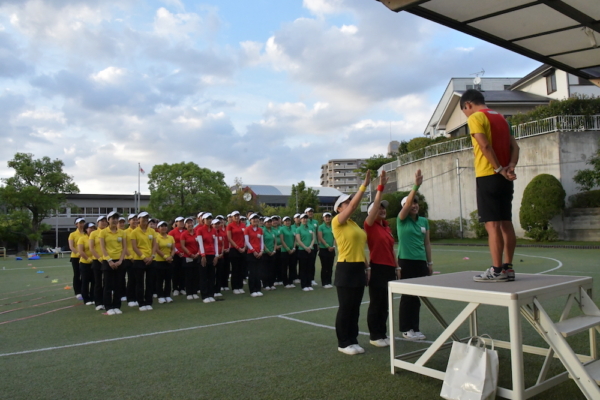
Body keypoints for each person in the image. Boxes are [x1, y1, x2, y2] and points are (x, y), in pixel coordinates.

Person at [460, 89, 519, 282]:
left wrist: (499, 168)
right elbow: (515, 147)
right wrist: (510, 167)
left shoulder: (476, 117)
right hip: (505, 179)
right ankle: (508, 268)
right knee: (505, 222)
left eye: (464, 111)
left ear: (468, 105)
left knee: (492, 224)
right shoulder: (503, 119)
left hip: (488, 174)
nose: (466, 115)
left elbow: (484, 145)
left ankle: (496, 270)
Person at [332, 170, 371, 355]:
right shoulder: (337, 222)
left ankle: (353, 339)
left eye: (349, 201)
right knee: (346, 307)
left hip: (358, 267)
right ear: (340, 208)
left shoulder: (354, 225)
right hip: (345, 268)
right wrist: (364, 185)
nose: (350, 204)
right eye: (346, 203)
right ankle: (343, 342)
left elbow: (360, 246)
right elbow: (355, 205)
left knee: (355, 307)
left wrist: (367, 266)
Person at [397, 169, 432, 340]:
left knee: (417, 296)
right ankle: (406, 329)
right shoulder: (402, 220)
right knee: (407, 296)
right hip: (406, 261)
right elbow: (406, 206)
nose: (414, 205)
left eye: (416, 202)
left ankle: (415, 327)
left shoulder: (424, 221)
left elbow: (427, 243)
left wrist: (430, 263)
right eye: (411, 203)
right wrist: (416, 185)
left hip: (420, 262)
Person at [364, 171, 397, 347]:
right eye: (379, 208)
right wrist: (380, 187)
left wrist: (397, 268)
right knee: (377, 302)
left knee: (385, 303)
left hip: (390, 268)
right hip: (377, 268)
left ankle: (382, 332)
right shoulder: (369, 225)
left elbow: (391, 250)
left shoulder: (386, 227)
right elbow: (376, 203)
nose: (382, 210)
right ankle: (375, 335)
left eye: (384, 208)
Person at [99, 211, 127, 315]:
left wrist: (120, 260)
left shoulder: (122, 232)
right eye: (112, 218)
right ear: (108, 220)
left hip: (120, 261)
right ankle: (108, 306)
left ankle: (116, 305)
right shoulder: (103, 232)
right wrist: (110, 260)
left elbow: (124, 248)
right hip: (108, 262)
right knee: (108, 285)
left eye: (116, 218)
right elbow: (103, 247)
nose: (115, 220)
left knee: (118, 285)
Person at [131, 211, 157, 311]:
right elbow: (134, 247)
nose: (145, 220)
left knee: (150, 282)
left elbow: (154, 245)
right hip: (139, 260)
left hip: (151, 259)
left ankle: (148, 301)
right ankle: (141, 303)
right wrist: (143, 257)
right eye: (143, 218)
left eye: (147, 218)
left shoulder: (152, 231)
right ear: (138, 219)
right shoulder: (134, 232)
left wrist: (152, 256)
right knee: (140, 283)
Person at [197, 213, 218, 303]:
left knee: (211, 276)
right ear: (203, 220)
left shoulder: (214, 230)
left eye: (210, 218)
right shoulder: (200, 230)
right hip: (203, 255)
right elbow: (200, 243)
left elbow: (215, 243)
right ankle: (204, 295)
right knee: (203, 276)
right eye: (207, 219)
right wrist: (203, 255)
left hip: (212, 255)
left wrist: (216, 255)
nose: (209, 220)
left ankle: (211, 294)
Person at [89, 216, 108, 311]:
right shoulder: (93, 233)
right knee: (98, 282)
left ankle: (106, 302)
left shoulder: (108, 232)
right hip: (98, 260)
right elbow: (92, 248)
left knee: (107, 282)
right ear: (97, 223)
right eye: (102, 221)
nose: (104, 223)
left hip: (108, 260)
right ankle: (98, 302)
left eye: (105, 221)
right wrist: (100, 258)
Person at [155, 221, 175, 304]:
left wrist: (171, 256)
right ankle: (160, 296)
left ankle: (167, 295)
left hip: (169, 261)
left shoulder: (170, 237)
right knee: (159, 279)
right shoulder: (156, 237)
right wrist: (165, 257)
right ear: (158, 228)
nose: (163, 228)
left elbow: (173, 249)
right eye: (161, 226)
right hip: (159, 261)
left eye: (165, 226)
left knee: (168, 279)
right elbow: (157, 249)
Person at [180, 217, 200, 300]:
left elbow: (200, 244)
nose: (190, 224)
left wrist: (198, 253)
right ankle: (189, 292)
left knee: (196, 275)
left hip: (197, 256)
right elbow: (183, 246)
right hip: (188, 257)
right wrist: (190, 254)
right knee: (189, 276)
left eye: (191, 222)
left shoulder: (197, 233)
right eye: (188, 223)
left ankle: (194, 292)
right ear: (185, 225)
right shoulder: (183, 234)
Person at [244, 213, 264, 297]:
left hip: (259, 253)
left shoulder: (260, 230)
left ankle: (258, 289)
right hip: (251, 253)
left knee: (258, 272)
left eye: (257, 219)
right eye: (253, 219)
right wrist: (253, 251)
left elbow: (262, 241)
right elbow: (247, 241)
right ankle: (252, 290)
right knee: (252, 273)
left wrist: (262, 250)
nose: (255, 220)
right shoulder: (247, 229)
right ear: (250, 220)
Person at [227, 211, 246, 295]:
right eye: (235, 216)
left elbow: (245, 237)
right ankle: (235, 287)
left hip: (243, 249)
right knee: (235, 269)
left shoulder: (243, 225)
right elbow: (229, 238)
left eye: (238, 215)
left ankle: (240, 286)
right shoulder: (230, 226)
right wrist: (238, 247)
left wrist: (244, 247)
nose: (237, 217)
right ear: (232, 217)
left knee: (241, 268)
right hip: (234, 249)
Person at [77, 222, 96, 306]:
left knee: (94, 281)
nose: (92, 230)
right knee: (85, 281)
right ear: (86, 229)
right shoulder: (82, 238)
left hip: (95, 262)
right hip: (85, 263)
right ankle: (86, 299)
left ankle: (93, 297)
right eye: (90, 228)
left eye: (93, 228)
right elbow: (81, 251)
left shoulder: (96, 237)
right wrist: (89, 259)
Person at [68, 217, 86, 300]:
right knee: (77, 274)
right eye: (80, 223)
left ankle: (84, 291)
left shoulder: (86, 233)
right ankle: (78, 292)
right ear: (76, 224)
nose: (81, 224)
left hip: (85, 257)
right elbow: (71, 246)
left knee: (84, 275)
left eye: (83, 222)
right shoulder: (73, 234)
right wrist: (79, 254)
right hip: (76, 257)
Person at [295, 214, 315, 292]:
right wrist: (305, 247)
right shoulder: (298, 229)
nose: (304, 220)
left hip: (310, 250)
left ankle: (309, 284)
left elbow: (313, 239)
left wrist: (310, 246)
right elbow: (298, 240)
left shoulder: (311, 228)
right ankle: (304, 285)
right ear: (300, 220)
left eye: (306, 218)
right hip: (302, 250)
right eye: (303, 218)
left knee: (309, 268)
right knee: (303, 268)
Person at [168, 217, 186, 296]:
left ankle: (182, 288)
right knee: (175, 271)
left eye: (182, 221)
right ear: (176, 223)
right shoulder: (172, 232)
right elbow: (172, 244)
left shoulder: (186, 231)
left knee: (183, 271)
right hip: (175, 255)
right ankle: (175, 288)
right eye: (180, 221)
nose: (181, 223)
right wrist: (178, 252)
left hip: (185, 254)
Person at [317, 212, 335, 289]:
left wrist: (333, 246)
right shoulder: (321, 227)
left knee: (330, 267)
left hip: (332, 249)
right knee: (324, 266)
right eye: (326, 217)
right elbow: (320, 238)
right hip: (324, 249)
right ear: (323, 218)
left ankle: (329, 281)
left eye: (329, 217)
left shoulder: (333, 226)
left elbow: (335, 237)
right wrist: (327, 246)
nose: (327, 218)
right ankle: (324, 283)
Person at [125, 214, 139, 307]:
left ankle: (137, 297)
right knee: (131, 279)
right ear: (128, 221)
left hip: (139, 258)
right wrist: (130, 257)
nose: (134, 221)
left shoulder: (140, 231)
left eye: (135, 220)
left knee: (139, 279)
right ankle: (130, 298)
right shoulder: (125, 232)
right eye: (132, 220)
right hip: (129, 259)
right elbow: (124, 247)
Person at [279, 216, 297, 288]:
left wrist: (293, 248)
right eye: (286, 221)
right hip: (284, 251)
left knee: (292, 267)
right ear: (283, 222)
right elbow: (282, 240)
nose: (287, 222)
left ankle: (291, 281)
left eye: (288, 221)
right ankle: (285, 282)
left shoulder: (293, 229)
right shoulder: (282, 229)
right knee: (284, 267)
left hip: (292, 251)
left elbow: (295, 239)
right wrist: (287, 249)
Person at [305, 207, 319, 286]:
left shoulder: (316, 222)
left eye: (311, 212)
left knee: (312, 262)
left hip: (314, 244)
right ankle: (305, 278)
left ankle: (312, 279)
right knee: (305, 263)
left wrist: (318, 244)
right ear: (306, 213)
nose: (310, 213)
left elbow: (317, 233)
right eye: (308, 212)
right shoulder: (304, 221)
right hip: (306, 246)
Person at [262, 217, 277, 291]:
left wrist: (274, 250)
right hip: (265, 253)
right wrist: (267, 250)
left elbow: (275, 242)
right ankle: (266, 284)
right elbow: (262, 242)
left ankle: (271, 284)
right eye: (267, 222)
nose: (269, 223)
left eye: (270, 222)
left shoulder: (273, 231)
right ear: (264, 223)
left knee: (272, 269)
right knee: (265, 269)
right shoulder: (263, 231)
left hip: (272, 252)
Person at [271, 216, 283, 286]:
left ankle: (280, 278)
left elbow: (284, 238)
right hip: (273, 249)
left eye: (276, 220)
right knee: (273, 265)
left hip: (281, 249)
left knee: (280, 264)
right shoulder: (270, 229)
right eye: (273, 220)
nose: (274, 222)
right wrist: (275, 247)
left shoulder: (281, 228)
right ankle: (274, 279)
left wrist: (281, 245)